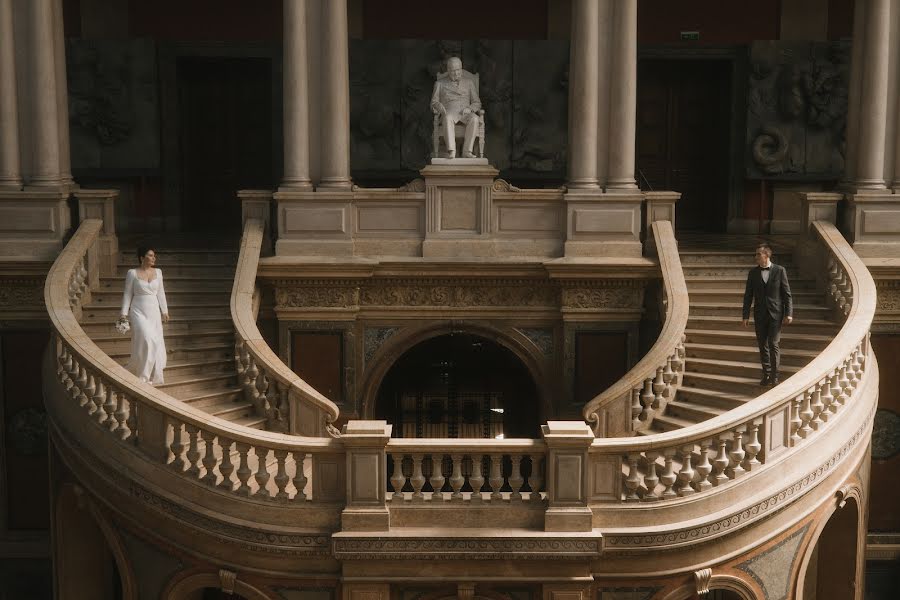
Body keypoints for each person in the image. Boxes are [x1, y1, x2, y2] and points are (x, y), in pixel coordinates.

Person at [742, 243, 793, 386]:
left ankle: (775, 377)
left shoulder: (780, 270)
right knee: (762, 345)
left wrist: (788, 313)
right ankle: (766, 374)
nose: (756, 257)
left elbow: (787, 294)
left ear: (766, 255)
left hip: (776, 314)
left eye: (758, 254)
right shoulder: (753, 273)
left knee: (773, 344)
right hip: (759, 314)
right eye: (756, 254)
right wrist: (745, 315)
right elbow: (748, 295)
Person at [119, 246, 169, 385]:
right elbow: (127, 294)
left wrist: (164, 310)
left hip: (154, 312)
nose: (154, 258)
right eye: (151, 255)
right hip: (138, 311)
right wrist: (123, 314)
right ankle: (144, 377)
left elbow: (161, 293)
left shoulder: (158, 272)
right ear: (142, 257)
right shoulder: (132, 273)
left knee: (153, 341)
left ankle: (150, 372)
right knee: (148, 339)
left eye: (154, 256)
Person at [431, 56, 482, 159]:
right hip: (449, 112)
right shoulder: (440, 83)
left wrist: (470, 108)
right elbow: (433, 102)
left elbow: (477, 102)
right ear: (448, 70)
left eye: (458, 70)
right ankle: (451, 151)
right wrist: (438, 106)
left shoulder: (469, 82)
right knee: (447, 118)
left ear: (461, 68)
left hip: (465, 112)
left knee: (475, 119)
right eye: (453, 70)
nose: (456, 73)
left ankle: (467, 151)